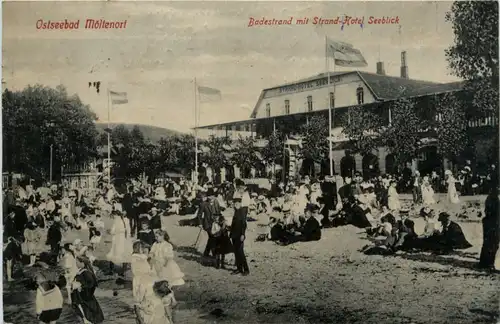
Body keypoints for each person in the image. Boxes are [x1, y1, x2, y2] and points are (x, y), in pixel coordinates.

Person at [71, 257, 104, 324]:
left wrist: (81, 287)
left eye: (77, 262)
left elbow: (92, 284)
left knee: (89, 314)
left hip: (86, 298)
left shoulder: (86, 272)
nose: (76, 264)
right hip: (81, 297)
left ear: (82, 263)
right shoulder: (81, 272)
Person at [106, 210, 133, 276]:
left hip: (117, 239)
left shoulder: (116, 220)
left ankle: (111, 270)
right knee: (124, 254)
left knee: (113, 253)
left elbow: (113, 231)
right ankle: (123, 271)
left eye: (113, 216)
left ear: (115, 215)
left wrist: (109, 232)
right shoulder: (126, 220)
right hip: (125, 239)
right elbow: (128, 230)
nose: (113, 217)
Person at [478, 187, 499, 270]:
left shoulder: (490, 198)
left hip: (489, 223)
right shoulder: (495, 200)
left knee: (488, 244)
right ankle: (489, 263)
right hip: (494, 224)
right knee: (493, 244)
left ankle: (484, 262)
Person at [198, 189, 220, 258]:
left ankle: (206, 253)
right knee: (212, 237)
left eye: (212, 196)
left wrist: (219, 220)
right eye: (209, 197)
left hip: (215, 224)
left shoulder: (216, 202)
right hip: (207, 224)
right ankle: (214, 255)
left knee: (211, 238)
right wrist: (200, 223)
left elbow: (218, 212)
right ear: (207, 197)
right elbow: (199, 214)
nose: (211, 198)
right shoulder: (203, 204)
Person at [230, 198, 249, 275]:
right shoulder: (236, 211)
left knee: (241, 252)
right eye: (235, 204)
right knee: (236, 252)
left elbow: (244, 224)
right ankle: (239, 268)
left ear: (240, 204)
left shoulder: (242, 212)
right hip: (234, 234)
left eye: (237, 203)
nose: (236, 205)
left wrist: (243, 234)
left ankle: (246, 269)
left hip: (239, 235)